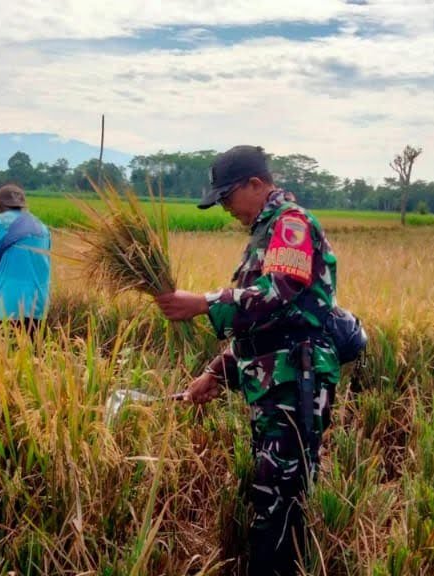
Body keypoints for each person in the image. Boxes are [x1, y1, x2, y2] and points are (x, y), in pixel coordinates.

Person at [152, 145, 338, 575]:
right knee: (270, 493)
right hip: (274, 383)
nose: (225, 208)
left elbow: (276, 297)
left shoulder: (290, 225)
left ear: (256, 184)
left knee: (281, 501)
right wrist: (214, 373)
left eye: (228, 196)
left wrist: (203, 302)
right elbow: (261, 329)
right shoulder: (264, 232)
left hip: (296, 383)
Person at [0, 183, 50, 336]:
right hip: (39, 302)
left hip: (9, 302)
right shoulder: (42, 227)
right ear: (23, 205)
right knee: (33, 355)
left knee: (5, 355)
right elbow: (45, 265)